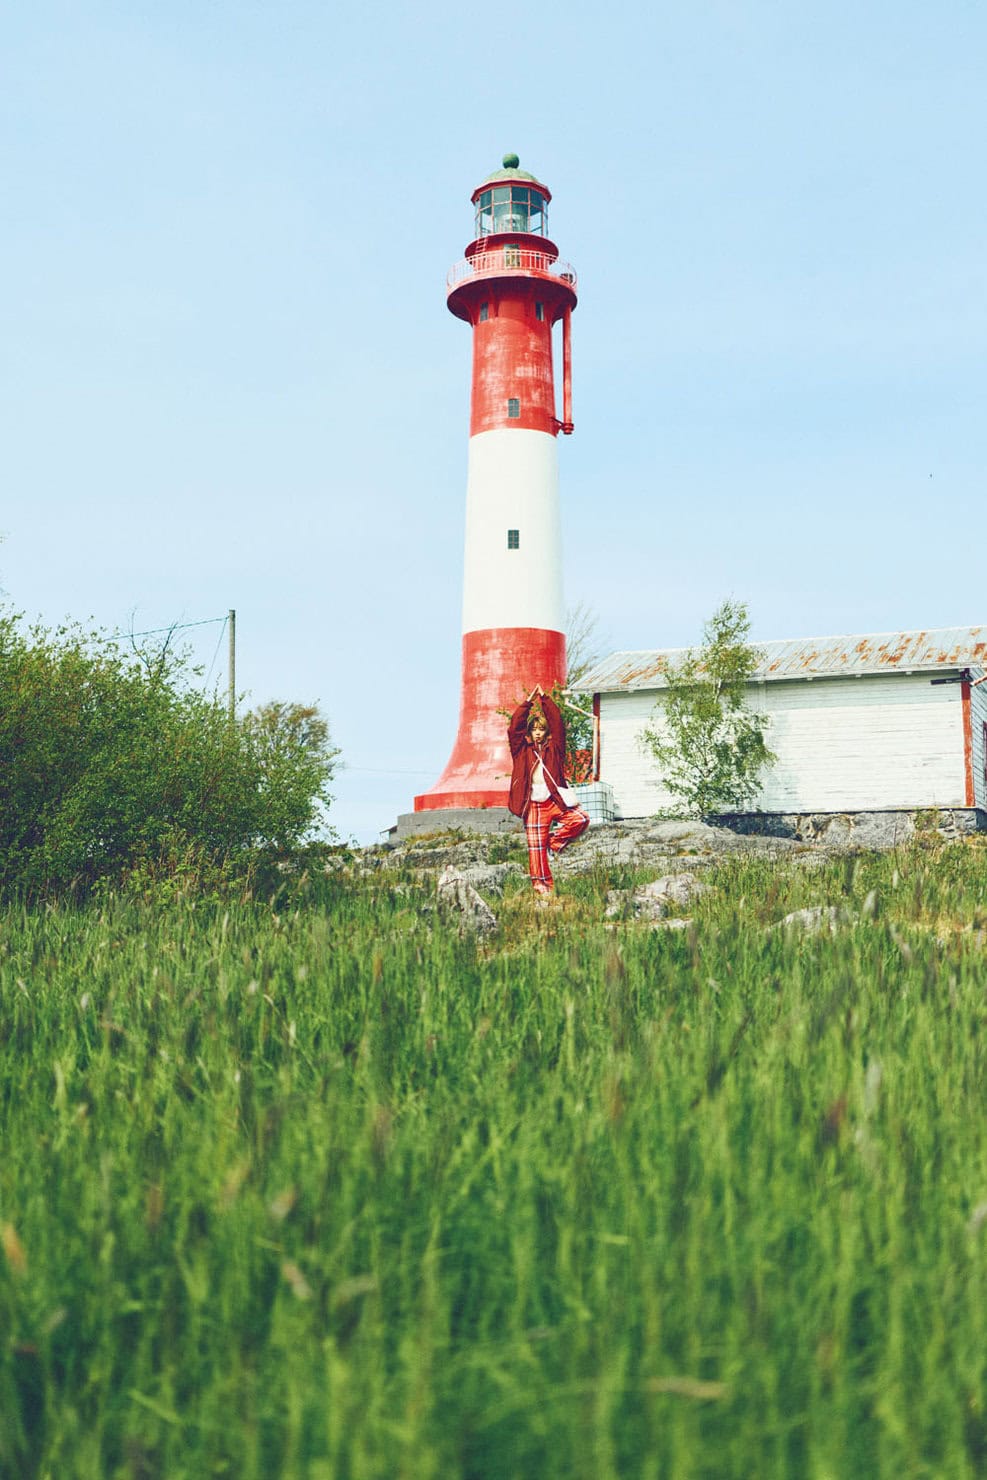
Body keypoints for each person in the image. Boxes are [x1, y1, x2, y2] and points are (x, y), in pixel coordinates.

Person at [508, 685, 590, 897]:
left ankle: (553, 842)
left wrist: (544, 700)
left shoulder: (555, 749)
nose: (537, 733)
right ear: (529, 732)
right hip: (533, 804)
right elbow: (514, 729)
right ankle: (543, 888)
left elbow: (558, 724)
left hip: (554, 799)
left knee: (580, 819)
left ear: (546, 732)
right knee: (535, 850)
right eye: (534, 729)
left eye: (541, 729)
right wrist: (527, 704)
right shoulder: (521, 750)